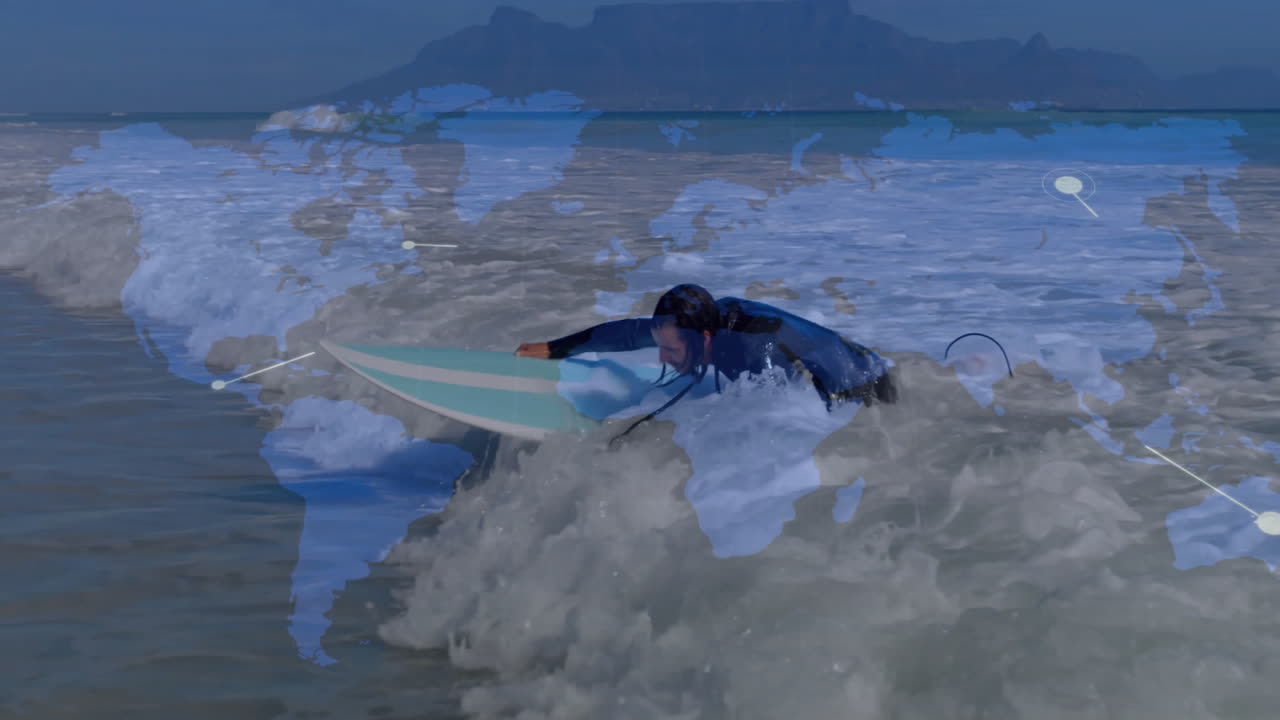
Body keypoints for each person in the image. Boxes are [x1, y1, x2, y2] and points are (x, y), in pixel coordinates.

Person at [515, 283, 898, 444]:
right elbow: (628, 334)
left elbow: (785, 423)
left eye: (673, 351)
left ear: (706, 340)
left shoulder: (750, 355)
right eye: (663, 348)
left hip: (868, 390)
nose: (663, 357)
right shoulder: (704, 319)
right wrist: (555, 348)